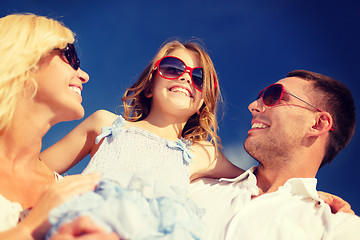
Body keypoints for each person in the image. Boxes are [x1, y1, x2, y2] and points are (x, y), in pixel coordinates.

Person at [40, 40, 244, 239]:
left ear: (202, 103)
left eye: (199, 78)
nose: (186, 79)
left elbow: (262, 180)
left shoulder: (204, 153)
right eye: (173, 68)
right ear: (149, 86)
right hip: (85, 228)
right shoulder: (105, 124)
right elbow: (34, 167)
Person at [188, 70, 360, 239]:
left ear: (317, 124)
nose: (253, 106)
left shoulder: (337, 228)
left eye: (274, 96)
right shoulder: (193, 183)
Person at [0, 13, 118, 240]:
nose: (84, 75)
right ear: (24, 61)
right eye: (70, 56)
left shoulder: (71, 193)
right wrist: (30, 227)